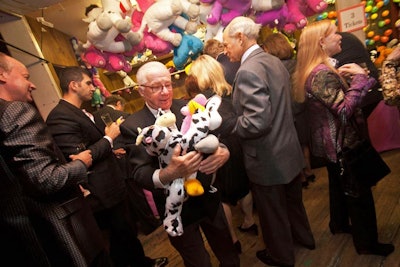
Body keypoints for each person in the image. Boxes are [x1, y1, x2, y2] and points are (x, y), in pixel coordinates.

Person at [120, 61, 240, 267]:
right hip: (176, 210)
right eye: (157, 87)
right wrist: (170, 172)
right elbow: (140, 174)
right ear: (141, 91)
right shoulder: (132, 126)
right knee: (197, 262)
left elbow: (216, 135)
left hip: (208, 198)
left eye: (168, 84)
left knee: (228, 253)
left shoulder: (187, 106)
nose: (165, 91)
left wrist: (223, 151)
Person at [46, 66, 168, 267]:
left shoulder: (77, 112)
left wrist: (109, 149)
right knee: (118, 238)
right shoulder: (60, 116)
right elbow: (79, 158)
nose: (93, 88)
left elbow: (89, 148)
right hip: (100, 193)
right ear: (73, 85)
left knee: (126, 232)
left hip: (111, 185)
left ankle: (142, 263)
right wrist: (109, 138)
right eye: (88, 83)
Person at [292, 19, 394, 257]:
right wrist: (359, 78)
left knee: (339, 186)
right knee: (359, 194)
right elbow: (345, 110)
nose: (340, 37)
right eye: (334, 34)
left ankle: (338, 224)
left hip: (331, 143)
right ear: (321, 42)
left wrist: (360, 78)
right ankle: (367, 243)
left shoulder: (321, 69)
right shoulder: (320, 75)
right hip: (341, 143)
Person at [0, 53, 112, 266]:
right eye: (25, 77)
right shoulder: (15, 111)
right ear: (2, 75)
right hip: (60, 231)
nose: (32, 84)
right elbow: (45, 179)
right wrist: (80, 164)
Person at [222, 17, 315, 267]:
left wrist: (229, 124)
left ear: (240, 37)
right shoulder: (272, 60)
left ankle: (281, 256)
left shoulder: (248, 70)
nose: (225, 49)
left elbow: (256, 122)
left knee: (272, 213)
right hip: (288, 148)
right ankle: (305, 239)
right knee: (294, 204)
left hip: (267, 157)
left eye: (226, 43)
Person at [187, 54, 257, 254]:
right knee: (244, 187)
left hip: (217, 150)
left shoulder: (201, 101)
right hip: (238, 146)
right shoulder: (229, 91)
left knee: (222, 196)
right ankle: (249, 221)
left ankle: (233, 240)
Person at [93, 95, 161, 235]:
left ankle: (141, 224)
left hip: (112, 162)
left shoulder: (94, 117)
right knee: (139, 194)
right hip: (126, 158)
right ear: (118, 104)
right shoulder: (121, 115)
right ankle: (149, 224)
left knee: (131, 196)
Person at [262, 32, 316, 188]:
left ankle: (300, 176)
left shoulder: (274, 68)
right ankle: (309, 171)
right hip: (302, 107)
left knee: (293, 145)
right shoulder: (297, 63)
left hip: (288, 111)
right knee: (303, 143)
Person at [333, 32, 383, 119]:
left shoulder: (345, 42)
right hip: (374, 95)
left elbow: (344, 110)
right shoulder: (347, 38)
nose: (339, 37)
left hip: (362, 102)